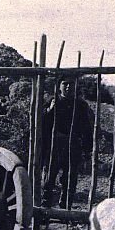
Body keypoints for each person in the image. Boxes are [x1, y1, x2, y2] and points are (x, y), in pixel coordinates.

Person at [41, 77, 94, 208]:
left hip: (73, 144)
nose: (68, 87)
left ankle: (65, 208)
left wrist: (87, 151)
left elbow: (87, 128)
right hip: (55, 144)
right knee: (49, 177)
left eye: (71, 84)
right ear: (59, 86)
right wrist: (49, 110)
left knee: (70, 178)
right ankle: (45, 207)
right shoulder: (52, 101)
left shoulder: (81, 105)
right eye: (65, 84)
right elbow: (42, 123)